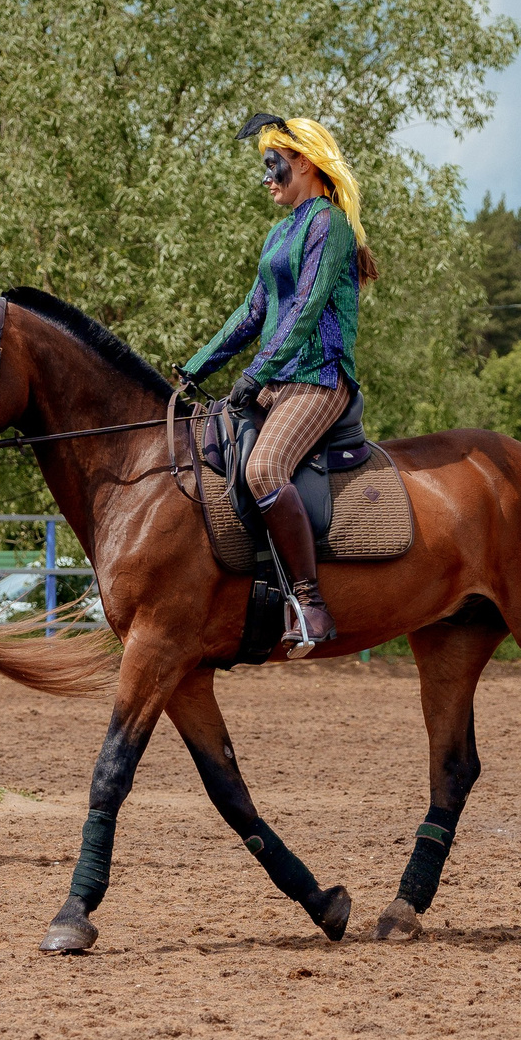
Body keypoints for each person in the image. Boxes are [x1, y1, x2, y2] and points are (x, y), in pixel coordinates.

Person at [179, 113, 378, 657]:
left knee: (263, 466)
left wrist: (256, 373)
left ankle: (310, 604)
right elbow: (254, 311)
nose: (266, 179)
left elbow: (309, 310)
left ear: (306, 163)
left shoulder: (328, 225)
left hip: (318, 379)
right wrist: (197, 365)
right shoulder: (279, 231)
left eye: (274, 166)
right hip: (277, 381)